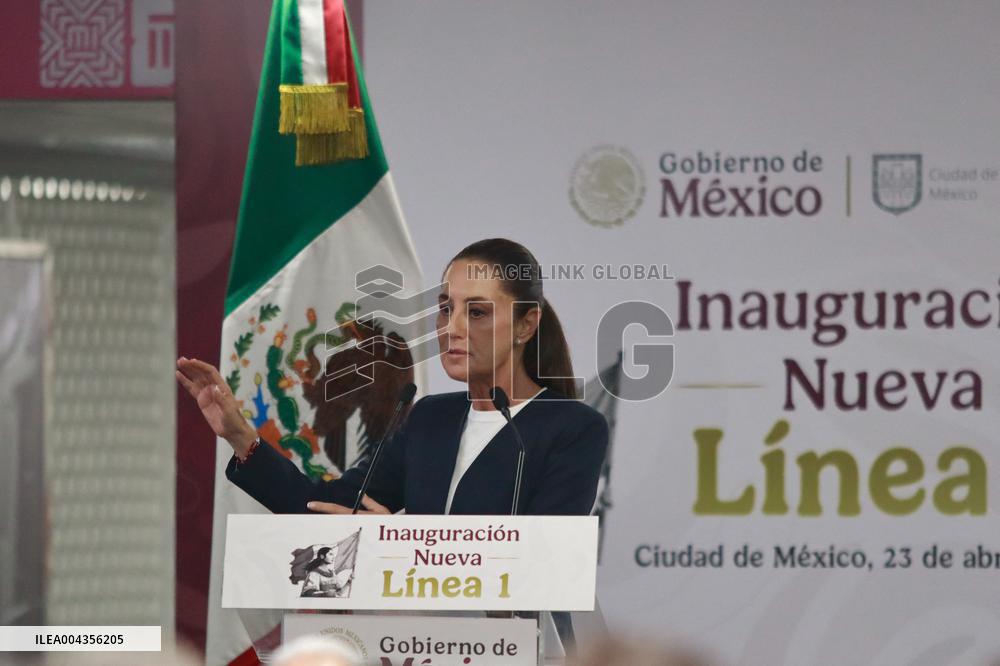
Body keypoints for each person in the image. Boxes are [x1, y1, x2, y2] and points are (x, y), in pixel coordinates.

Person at [176, 237, 609, 516]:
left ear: (525, 325)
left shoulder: (572, 428)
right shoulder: (428, 419)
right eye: (445, 308)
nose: (451, 327)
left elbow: (541, 562)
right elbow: (322, 510)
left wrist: (398, 548)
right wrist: (240, 437)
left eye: (475, 312)